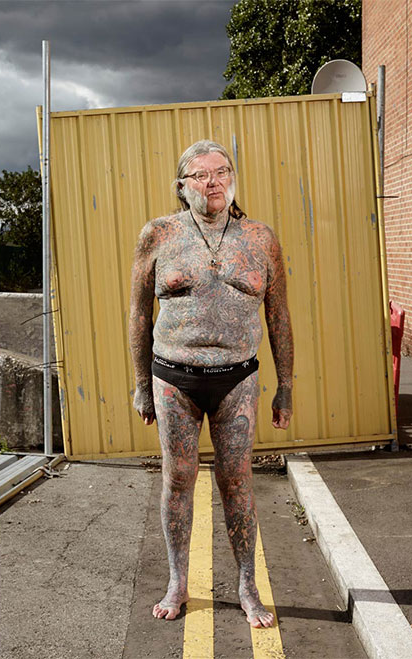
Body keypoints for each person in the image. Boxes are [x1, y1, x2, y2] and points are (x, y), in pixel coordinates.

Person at [128, 140, 293, 628]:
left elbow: (279, 315)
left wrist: (286, 385)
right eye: (200, 175)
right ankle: (177, 581)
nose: (213, 181)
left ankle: (247, 584)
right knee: (178, 478)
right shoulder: (158, 235)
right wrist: (140, 383)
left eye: (221, 171)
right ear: (182, 186)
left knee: (237, 480)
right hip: (173, 378)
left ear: (233, 178)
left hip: (237, 379)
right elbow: (139, 313)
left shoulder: (260, 239)